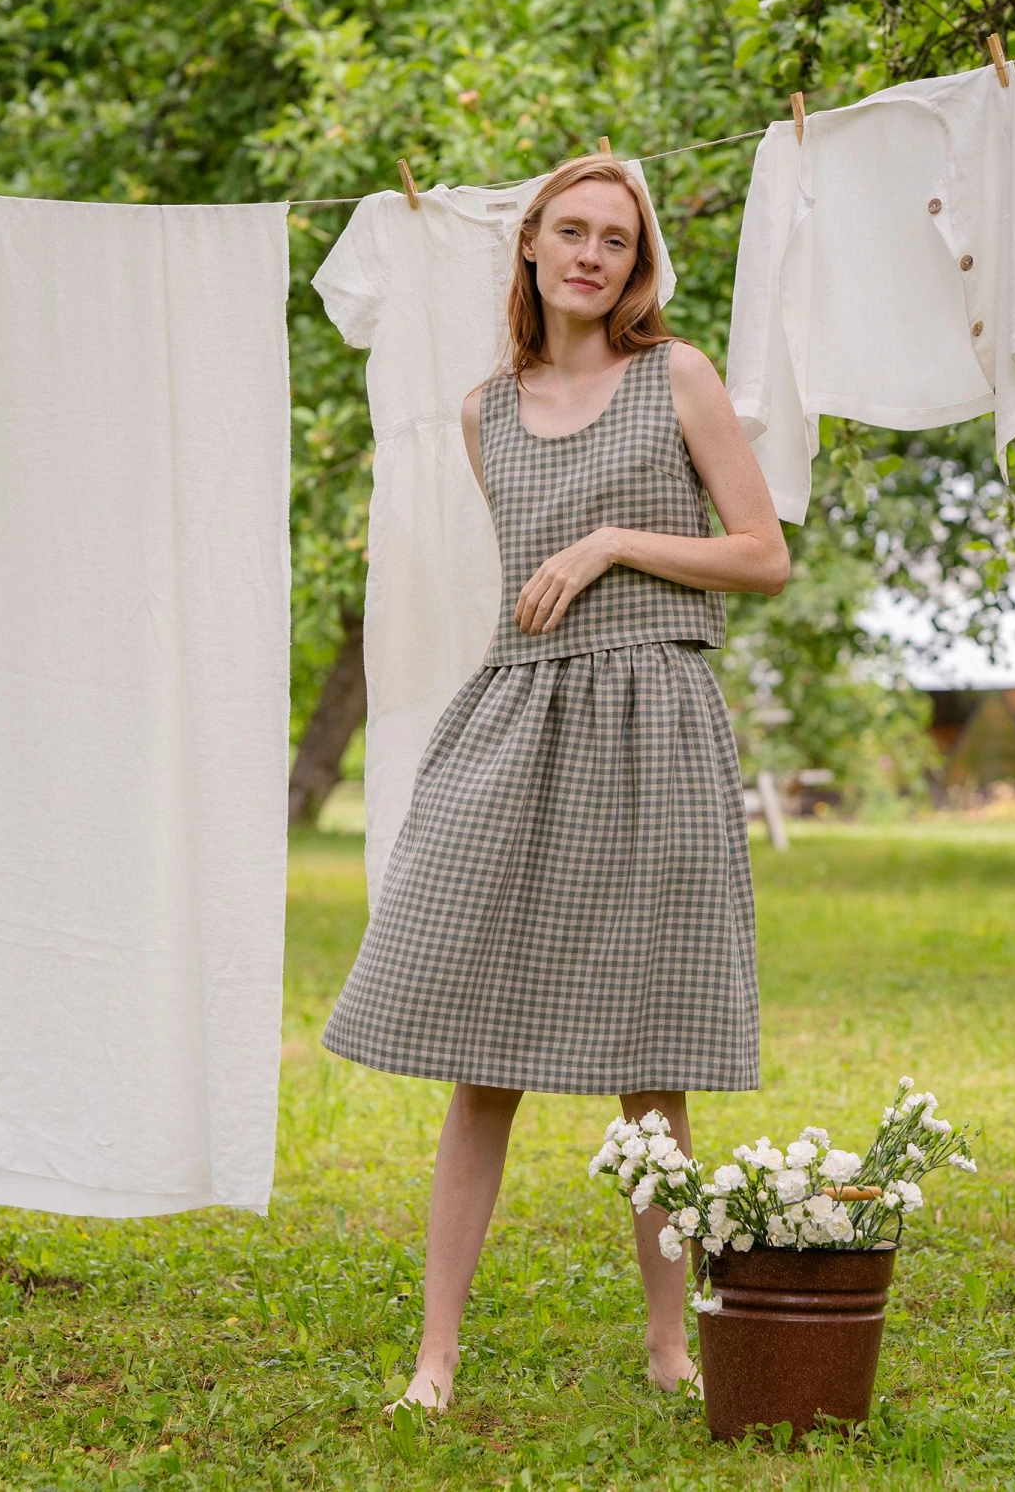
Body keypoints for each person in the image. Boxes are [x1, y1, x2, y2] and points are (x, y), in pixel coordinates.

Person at [322, 153, 788, 1411]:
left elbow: (764, 557)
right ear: (527, 247)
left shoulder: (675, 377)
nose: (591, 255)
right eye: (570, 232)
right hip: (522, 719)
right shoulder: (481, 413)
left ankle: (672, 1346)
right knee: (485, 1054)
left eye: (617, 243)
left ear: (639, 268)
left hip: (655, 718)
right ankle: (436, 1356)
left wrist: (615, 541)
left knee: (655, 1056)